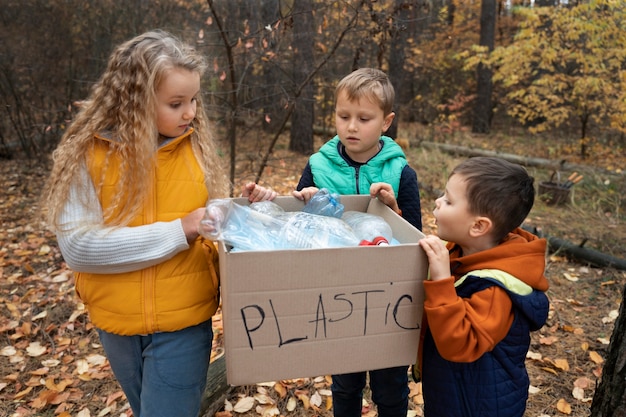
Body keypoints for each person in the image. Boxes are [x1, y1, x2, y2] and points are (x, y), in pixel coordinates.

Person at [42, 30, 275, 417]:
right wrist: (178, 229)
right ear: (133, 101)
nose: (191, 113)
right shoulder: (88, 154)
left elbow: (208, 220)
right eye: (176, 103)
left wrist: (247, 208)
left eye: (194, 100)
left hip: (184, 322)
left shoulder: (195, 149)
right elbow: (79, 248)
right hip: (115, 323)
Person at [294, 67, 422, 417]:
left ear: (386, 121)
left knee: (391, 387)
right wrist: (308, 201)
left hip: (388, 300)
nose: (351, 126)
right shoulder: (318, 167)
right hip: (338, 294)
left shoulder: (400, 173)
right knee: (345, 383)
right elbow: (300, 228)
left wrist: (392, 208)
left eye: (364, 118)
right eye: (343, 116)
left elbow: (414, 238)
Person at [415, 156, 550, 417]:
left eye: (448, 200)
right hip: (452, 393)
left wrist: (443, 280)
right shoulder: (463, 251)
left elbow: (460, 344)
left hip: (480, 406)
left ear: (478, 226)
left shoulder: (496, 289)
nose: (437, 201)